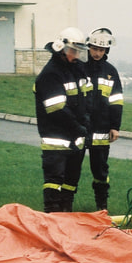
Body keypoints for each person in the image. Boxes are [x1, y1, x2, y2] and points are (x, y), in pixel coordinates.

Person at [33, 27, 90, 213]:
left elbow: (85, 100)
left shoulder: (77, 70)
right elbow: (57, 110)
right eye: (73, 51)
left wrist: (86, 123)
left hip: (75, 139)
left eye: (78, 52)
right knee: (54, 183)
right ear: (61, 48)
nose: (76, 56)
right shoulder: (50, 74)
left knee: (71, 183)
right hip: (56, 140)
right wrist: (79, 128)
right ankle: (52, 220)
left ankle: (67, 219)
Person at [83, 27, 123, 210]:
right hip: (80, 127)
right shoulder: (79, 68)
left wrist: (115, 126)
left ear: (106, 50)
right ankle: (64, 206)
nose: (97, 53)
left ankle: (102, 206)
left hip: (101, 128)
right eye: (94, 49)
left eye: (101, 50)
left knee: (100, 169)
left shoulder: (110, 72)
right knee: (72, 167)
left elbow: (116, 102)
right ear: (88, 47)